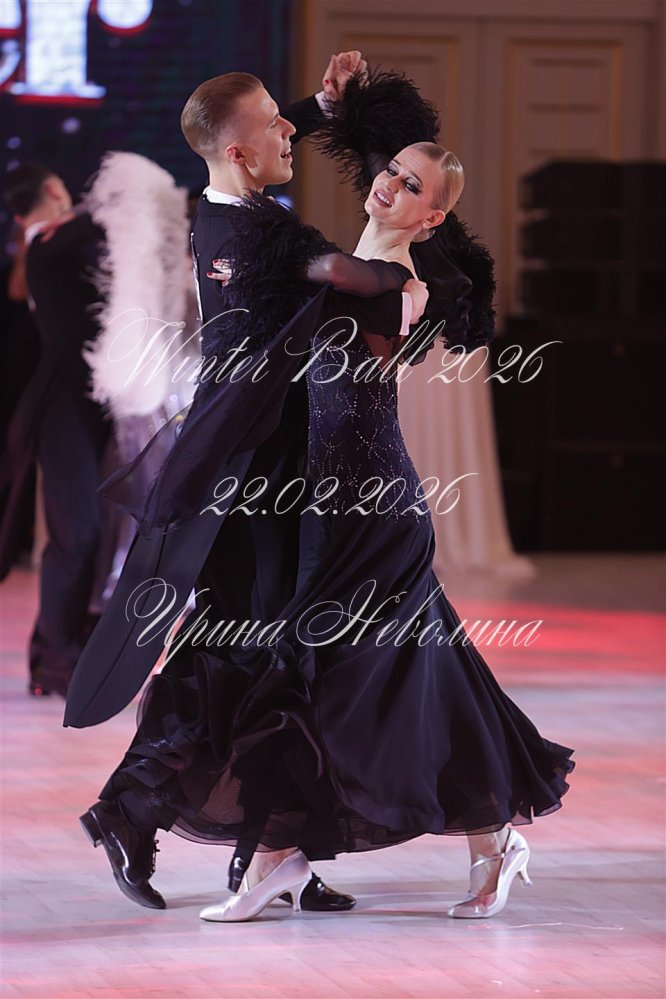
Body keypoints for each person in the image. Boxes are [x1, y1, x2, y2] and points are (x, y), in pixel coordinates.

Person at [66, 54, 427, 915]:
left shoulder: (222, 210)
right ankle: (161, 818)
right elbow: (351, 276)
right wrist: (411, 275)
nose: (288, 128)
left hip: (245, 464)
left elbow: (241, 134)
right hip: (253, 475)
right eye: (276, 122)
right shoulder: (264, 234)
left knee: (259, 652)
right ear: (237, 151)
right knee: (261, 655)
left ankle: (268, 849)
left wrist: (321, 106)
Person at [0, 164, 111, 697]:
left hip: (97, 404)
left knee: (98, 537)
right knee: (77, 534)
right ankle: (55, 660)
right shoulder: (47, 243)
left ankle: (69, 654)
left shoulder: (49, 245)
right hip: (62, 407)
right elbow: (106, 214)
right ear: (52, 189)